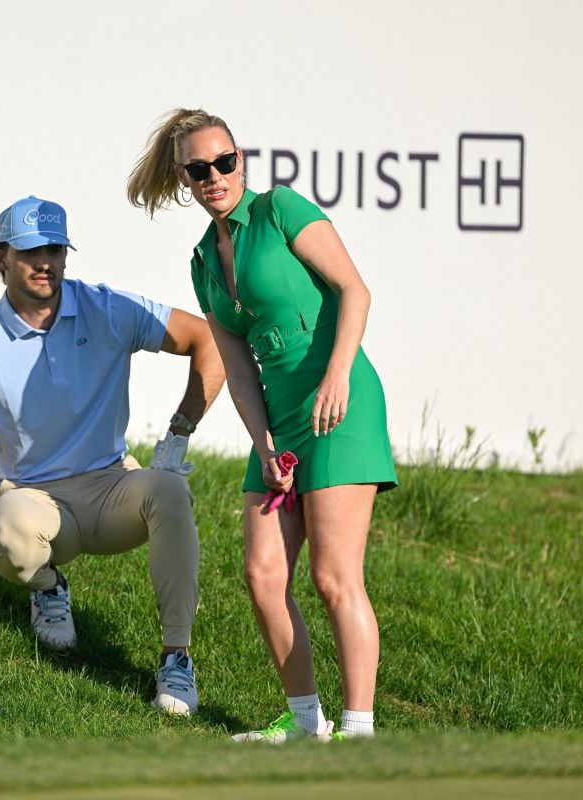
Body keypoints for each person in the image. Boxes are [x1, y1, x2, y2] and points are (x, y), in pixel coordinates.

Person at [127, 110, 398, 741]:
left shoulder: (281, 211)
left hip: (341, 404)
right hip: (279, 421)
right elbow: (238, 365)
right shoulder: (202, 261)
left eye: (225, 162)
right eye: (200, 169)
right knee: (263, 575)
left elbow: (355, 291)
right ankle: (305, 723)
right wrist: (262, 442)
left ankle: (359, 733)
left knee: (334, 577)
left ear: (240, 160)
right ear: (184, 178)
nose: (215, 177)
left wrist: (337, 376)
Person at [0, 195, 225, 716]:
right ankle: (49, 587)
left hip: (112, 488)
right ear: (1, 257)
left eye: (54, 250)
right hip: (35, 500)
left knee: (169, 489)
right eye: (30, 252)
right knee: (5, 531)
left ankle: (176, 658)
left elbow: (207, 339)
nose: (45, 263)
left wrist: (179, 431)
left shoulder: (107, 309)